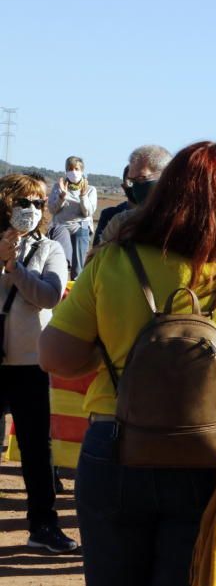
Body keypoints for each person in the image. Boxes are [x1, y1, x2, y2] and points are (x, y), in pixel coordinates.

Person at [39, 142, 216, 584]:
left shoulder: (115, 260)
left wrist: (114, 348)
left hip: (117, 447)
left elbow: (56, 357)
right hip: (213, 458)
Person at [0, 174, 77, 553]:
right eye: (23, 203)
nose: (31, 210)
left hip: (30, 362)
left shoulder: (50, 249)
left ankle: (43, 526)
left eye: (38, 203)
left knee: (35, 448)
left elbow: (49, 296)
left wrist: (14, 268)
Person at [95, 145, 173, 248]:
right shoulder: (121, 223)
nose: (136, 187)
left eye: (141, 178)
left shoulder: (189, 222)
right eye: (132, 181)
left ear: (166, 176)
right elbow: (97, 258)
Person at [47, 156, 97, 278]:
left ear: (82, 170)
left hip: (80, 226)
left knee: (78, 266)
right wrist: (62, 197)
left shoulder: (90, 190)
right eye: (70, 169)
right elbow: (52, 209)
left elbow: (87, 212)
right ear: (66, 171)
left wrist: (83, 196)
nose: (73, 172)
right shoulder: (58, 187)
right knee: (60, 262)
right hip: (61, 227)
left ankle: (75, 290)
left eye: (76, 168)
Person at [94, 166, 131, 246]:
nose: (137, 186)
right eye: (131, 182)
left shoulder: (160, 218)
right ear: (124, 186)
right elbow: (96, 251)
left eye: (143, 180)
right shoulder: (109, 215)